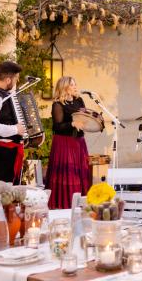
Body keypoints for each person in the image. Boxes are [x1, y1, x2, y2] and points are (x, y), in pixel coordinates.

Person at [46, 77, 91, 209]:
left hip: (79, 142)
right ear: (64, 87)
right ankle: (65, 204)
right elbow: (57, 127)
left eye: (75, 83)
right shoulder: (58, 105)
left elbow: (83, 117)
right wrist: (72, 123)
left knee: (80, 173)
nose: (75, 86)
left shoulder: (79, 100)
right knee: (68, 174)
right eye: (72, 84)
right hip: (64, 143)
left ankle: (80, 203)